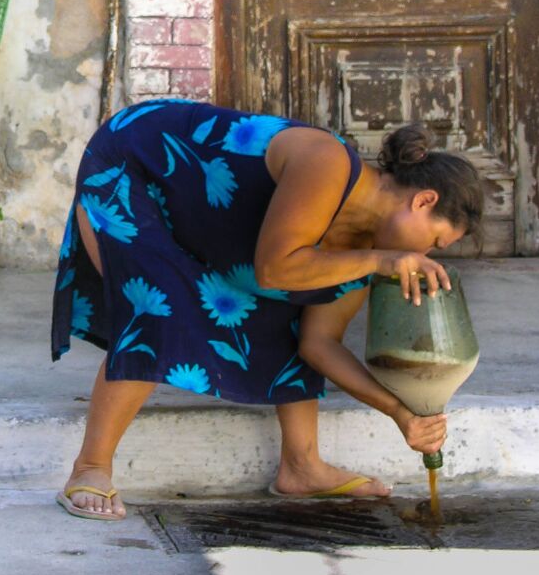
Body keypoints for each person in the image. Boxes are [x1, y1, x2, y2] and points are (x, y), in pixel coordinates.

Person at [51, 100, 484, 520]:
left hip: (211, 216)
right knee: (158, 306)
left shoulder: (363, 253)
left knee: (295, 305)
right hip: (138, 161)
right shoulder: (328, 162)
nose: (427, 254)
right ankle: (90, 466)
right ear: (423, 201)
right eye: (435, 241)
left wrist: (401, 414)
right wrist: (382, 261)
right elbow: (276, 268)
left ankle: (302, 466)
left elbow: (318, 344)